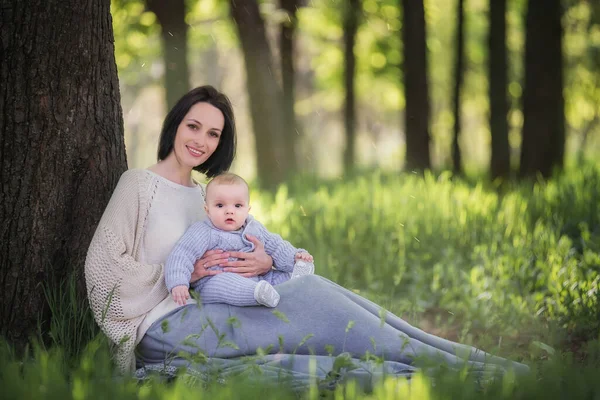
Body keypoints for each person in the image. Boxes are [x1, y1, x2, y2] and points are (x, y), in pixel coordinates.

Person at [85, 85, 529, 381]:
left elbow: (243, 244)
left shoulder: (209, 196)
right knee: (323, 311)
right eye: (193, 126)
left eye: (214, 133)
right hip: (168, 325)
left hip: (216, 309)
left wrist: (263, 260)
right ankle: (480, 373)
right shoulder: (138, 185)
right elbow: (102, 269)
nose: (201, 140)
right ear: (176, 124)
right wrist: (184, 274)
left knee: (327, 301)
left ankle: (479, 365)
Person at [165, 172, 315, 308]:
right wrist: (178, 282)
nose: (229, 210)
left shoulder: (253, 227)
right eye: (220, 205)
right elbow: (182, 254)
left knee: (284, 277)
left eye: (237, 205)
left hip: (258, 278)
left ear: (247, 210)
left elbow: (276, 246)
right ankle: (257, 294)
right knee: (224, 283)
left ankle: (296, 278)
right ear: (207, 210)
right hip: (213, 282)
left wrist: (295, 256)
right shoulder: (204, 231)